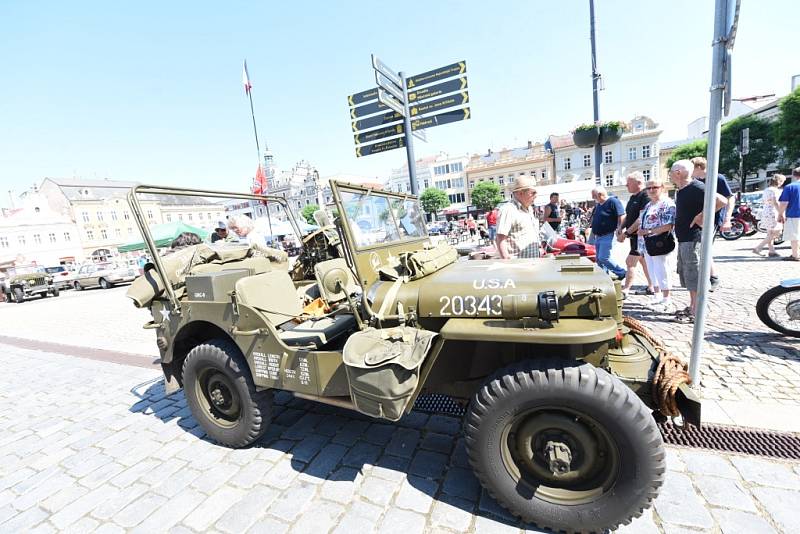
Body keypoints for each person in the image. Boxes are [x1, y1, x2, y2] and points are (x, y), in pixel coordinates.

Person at [670, 160, 728, 323]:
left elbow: (722, 201)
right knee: (688, 273)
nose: (670, 175)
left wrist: (701, 215)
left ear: (679, 172)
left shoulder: (696, 187)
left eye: (671, 171)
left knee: (694, 273)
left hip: (693, 237)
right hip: (684, 237)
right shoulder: (682, 190)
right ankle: (693, 305)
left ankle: (697, 311)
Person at [627, 178, 676, 312]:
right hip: (647, 243)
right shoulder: (649, 205)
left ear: (662, 188)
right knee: (652, 269)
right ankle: (657, 295)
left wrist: (648, 231)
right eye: (648, 188)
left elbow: (669, 225)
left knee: (662, 269)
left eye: (655, 187)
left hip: (660, 242)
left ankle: (667, 300)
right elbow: (640, 220)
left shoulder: (667, 203)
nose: (651, 190)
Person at [691, 157, 734, 290]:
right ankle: (705, 276)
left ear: (698, 167)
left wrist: (727, 218)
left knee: (705, 248)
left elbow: (729, 198)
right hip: (697, 218)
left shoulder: (717, 178)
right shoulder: (694, 181)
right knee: (698, 248)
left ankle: (713, 277)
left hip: (712, 219)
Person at [618, 172, 654, 298]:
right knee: (645, 263)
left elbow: (641, 219)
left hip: (642, 237)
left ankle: (625, 290)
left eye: (629, 183)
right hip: (635, 237)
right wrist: (621, 227)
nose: (626, 185)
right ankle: (652, 286)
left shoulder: (645, 196)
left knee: (630, 262)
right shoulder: (633, 197)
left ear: (639, 183)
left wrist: (626, 233)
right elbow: (629, 215)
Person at [496, 175, 540, 259]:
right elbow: (500, 239)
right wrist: (507, 262)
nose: (536, 195)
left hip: (532, 264)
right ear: (520, 193)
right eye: (533, 193)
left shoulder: (529, 208)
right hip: (517, 267)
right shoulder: (508, 209)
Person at [589, 186, 626, 280]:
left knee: (603, 258)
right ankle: (604, 278)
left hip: (608, 234)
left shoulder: (613, 201)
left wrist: (620, 229)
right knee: (599, 260)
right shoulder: (599, 205)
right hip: (598, 236)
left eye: (594, 196)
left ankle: (620, 272)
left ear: (600, 195)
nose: (593, 199)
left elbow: (621, 215)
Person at [752, 174, 787, 257]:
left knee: (770, 233)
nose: (782, 183)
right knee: (777, 232)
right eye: (782, 181)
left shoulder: (766, 190)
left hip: (766, 211)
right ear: (779, 181)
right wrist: (781, 213)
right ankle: (758, 248)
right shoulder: (775, 190)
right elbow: (776, 202)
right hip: (773, 212)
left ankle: (771, 251)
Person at [777, 167, 800, 261]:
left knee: (794, 235)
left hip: (794, 214)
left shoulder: (790, 187)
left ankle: (795, 255)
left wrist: (780, 214)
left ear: (794, 175)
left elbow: (784, 203)